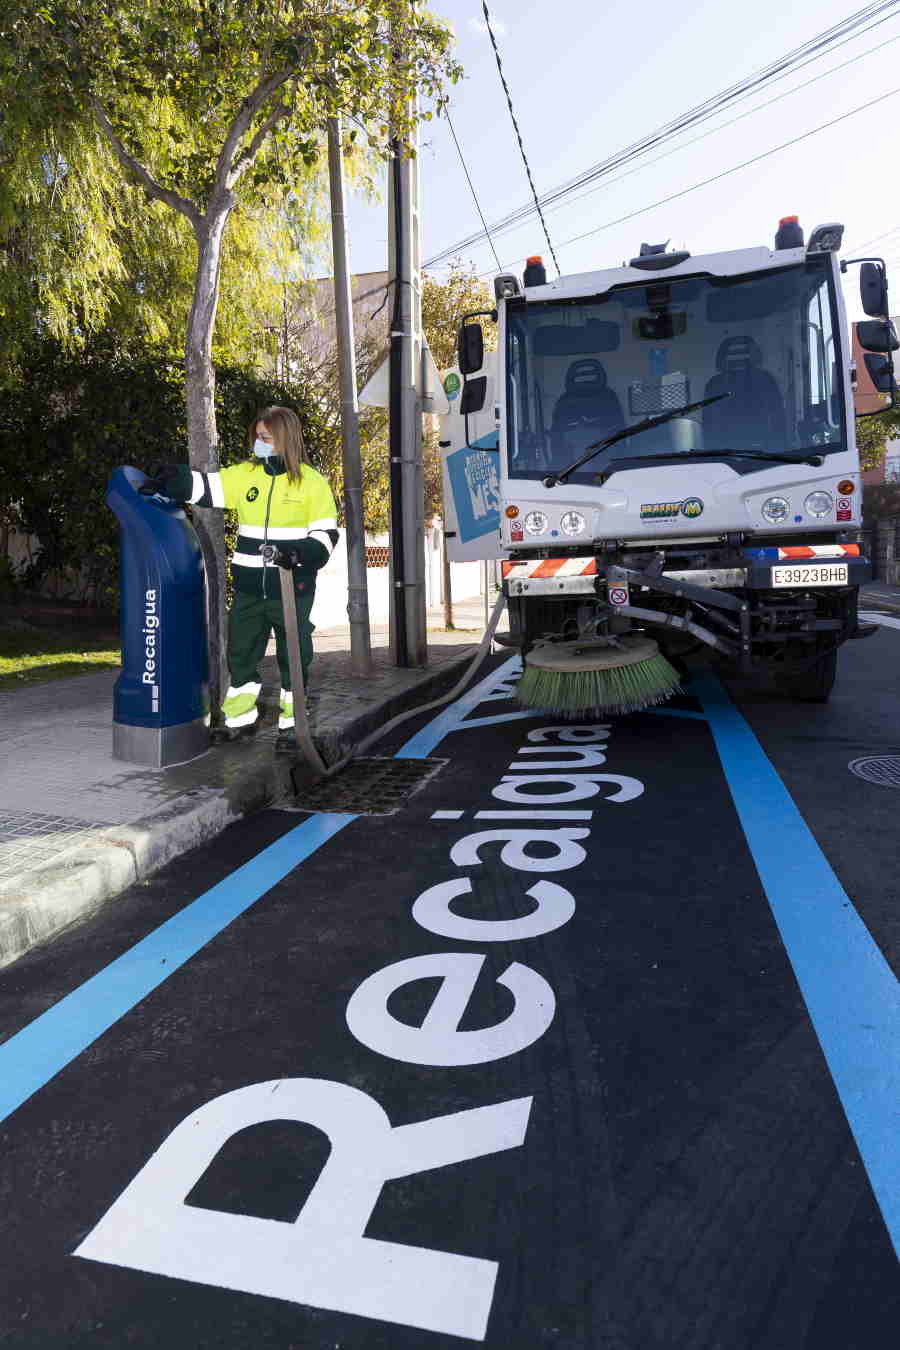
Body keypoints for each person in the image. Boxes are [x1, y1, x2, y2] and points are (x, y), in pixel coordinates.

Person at [150, 406, 338, 748]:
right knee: (241, 653)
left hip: (291, 587)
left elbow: (326, 537)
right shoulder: (246, 475)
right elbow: (209, 487)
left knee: (292, 658)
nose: (258, 444)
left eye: (266, 438)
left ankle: (292, 728)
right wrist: (175, 479)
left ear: (285, 439)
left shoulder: (312, 483)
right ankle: (240, 721)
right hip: (250, 589)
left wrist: (297, 553)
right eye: (257, 437)